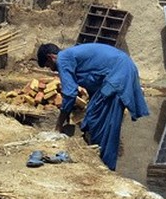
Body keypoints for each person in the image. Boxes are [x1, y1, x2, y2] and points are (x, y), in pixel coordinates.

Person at [36, 41, 150, 170]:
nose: (51, 69)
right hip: (121, 70)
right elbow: (93, 80)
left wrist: (58, 126)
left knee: (105, 123)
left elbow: (69, 94)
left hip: (118, 73)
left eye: (48, 65)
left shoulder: (63, 59)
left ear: (51, 57)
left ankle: (106, 166)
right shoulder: (70, 56)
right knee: (95, 116)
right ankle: (100, 158)